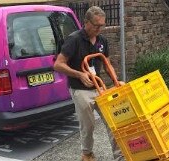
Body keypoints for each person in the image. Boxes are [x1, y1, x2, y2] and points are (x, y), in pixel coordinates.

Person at [53, 6, 125, 161]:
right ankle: (87, 154)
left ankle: (120, 157)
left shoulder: (102, 40)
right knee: (89, 125)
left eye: (102, 25)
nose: (99, 29)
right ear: (86, 22)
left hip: (99, 88)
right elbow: (58, 64)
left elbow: (107, 64)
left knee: (113, 122)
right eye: (96, 25)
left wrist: (115, 80)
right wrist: (79, 74)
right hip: (80, 89)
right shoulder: (74, 39)